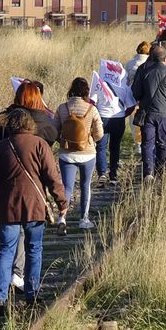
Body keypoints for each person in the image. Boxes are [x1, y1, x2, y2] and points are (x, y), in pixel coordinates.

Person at [0, 109, 67, 312]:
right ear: (30, 124)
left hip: (6, 207)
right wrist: (61, 202)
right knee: (34, 249)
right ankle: (32, 294)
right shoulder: (40, 144)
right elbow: (52, 176)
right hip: (34, 206)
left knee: (5, 250)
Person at [131, 42, 166, 179]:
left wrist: (144, 97)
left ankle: (148, 173)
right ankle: (161, 171)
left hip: (148, 114)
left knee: (147, 143)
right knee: (162, 144)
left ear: (151, 57)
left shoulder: (144, 71)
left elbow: (135, 92)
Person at [54, 77, 103, 228]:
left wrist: (64, 141)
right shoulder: (91, 109)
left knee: (67, 187)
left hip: (67, 153)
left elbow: (54, 130)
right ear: (86, 91)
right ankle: (84, 220)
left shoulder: (62, 108)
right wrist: (90, 140)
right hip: (87, 153)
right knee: (85, 185)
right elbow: (99, 133)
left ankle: (62, 217)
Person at [93, 62, 137, 186]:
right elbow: (132, 105)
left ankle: (101, 173)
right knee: (115, 147)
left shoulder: (100, 84)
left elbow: (92, 102)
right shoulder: (124, 85)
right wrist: (123, 114)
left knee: (101, 147)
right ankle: (113, 176)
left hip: (102, 118)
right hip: (118, 119)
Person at [0, 79, 57, 145]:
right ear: (38, 99)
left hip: (6, 154)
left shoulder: (4, 119)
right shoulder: (47, 125)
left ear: (17, 97)